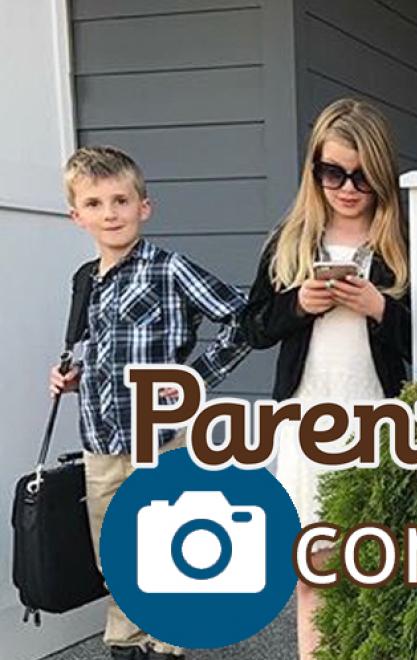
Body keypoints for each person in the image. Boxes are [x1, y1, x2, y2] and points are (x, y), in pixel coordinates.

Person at [49, 145, 251, 660]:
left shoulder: (170, 269)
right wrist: (74, 377)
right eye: (94, 203)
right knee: (114, 550)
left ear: (144, 206)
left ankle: (168, 643)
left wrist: (192, 379)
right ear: (77, 216)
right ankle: (126, 639)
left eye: (121, 200)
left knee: (167, 543)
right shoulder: (85, 280)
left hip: (160, 437)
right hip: (100, 439)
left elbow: (242, 318)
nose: (110, 213)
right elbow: (103, 349)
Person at [242, 97, 411, 660]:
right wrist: (298, 304)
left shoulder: (402, 245)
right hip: (306, 420)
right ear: (313, 170)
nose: (347, 187)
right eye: (333, 172)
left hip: (377, 420)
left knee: (373, 562)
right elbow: (253, 326)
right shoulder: (288, 240)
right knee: (313, 564)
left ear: (382, 173)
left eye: (362, 175)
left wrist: (379, 308)